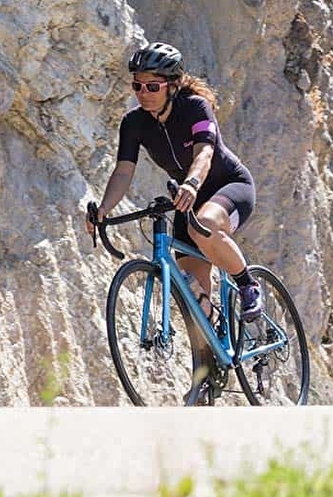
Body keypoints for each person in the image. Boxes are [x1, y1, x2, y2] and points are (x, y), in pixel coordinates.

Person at [86, 42, 261, 405]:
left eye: (153, 86)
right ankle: (206, 375)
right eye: (137, 86)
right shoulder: (134, 123)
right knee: (193, 297)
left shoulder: (196, 107)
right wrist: (102, 209)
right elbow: (123, 171)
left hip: (226, 186)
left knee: (206, 222)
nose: (143, 94)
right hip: (187, 197)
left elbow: (205, 153)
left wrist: (194, 183)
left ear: (173, 84)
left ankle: (247, 285)